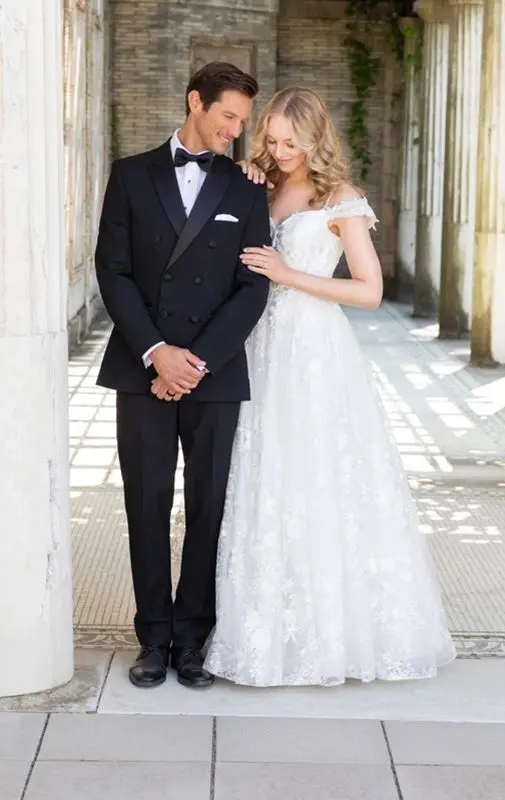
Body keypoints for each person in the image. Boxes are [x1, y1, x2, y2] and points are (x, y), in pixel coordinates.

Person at [204, 87, 457, 686]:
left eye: (291, 142)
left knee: (319, 478)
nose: (279, 150)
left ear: (317, 139)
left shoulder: (341, 199)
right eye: (271, 140)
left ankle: (334, 636)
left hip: (313, 349)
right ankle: (263, 629)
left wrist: (291, 274)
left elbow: (368, 291)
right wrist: (244, 172)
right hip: (257, 345)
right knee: (262, 478)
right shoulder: (256, 184)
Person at [95, 62, 271, 689]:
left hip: (213, 373)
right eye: (228, 117)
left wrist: (195, 362)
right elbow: (111, 270)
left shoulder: (249, 187)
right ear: (195, 101)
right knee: (145, 504)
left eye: (243, 122)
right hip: (143, 366)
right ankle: (153, 638)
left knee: (208, 507)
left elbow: (253, 287)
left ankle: (194, 639)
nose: (235, 131)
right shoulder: (131, 175)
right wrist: (155, 352)